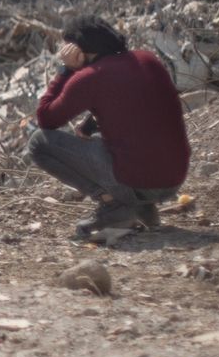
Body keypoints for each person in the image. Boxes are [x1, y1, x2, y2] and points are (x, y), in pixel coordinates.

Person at [27, 15, 190, 239]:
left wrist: (66, 70)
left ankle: (116, 207)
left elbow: (46, 118)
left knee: (38, 142)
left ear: (80, 51)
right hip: (174, 178)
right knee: (124, 149)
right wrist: (89, 126)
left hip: (141, 180)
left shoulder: (88, 77)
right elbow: (137, 107)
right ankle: (142, 209)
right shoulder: (147, 59)